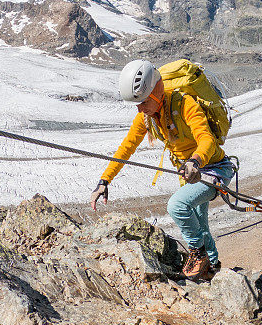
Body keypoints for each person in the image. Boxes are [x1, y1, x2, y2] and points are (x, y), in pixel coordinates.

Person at [90, 59, 236, 281]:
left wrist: (195, 161)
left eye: (144, 102)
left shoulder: (184, 103)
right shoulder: (146, 117)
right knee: (199, 221)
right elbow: (126, 148)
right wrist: (104, 180)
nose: (140, 109)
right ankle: (211, 266)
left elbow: (206, 139)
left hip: (213, 170)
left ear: (157, 93)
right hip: (189, 172)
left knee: (177, 206)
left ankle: (197, 253)